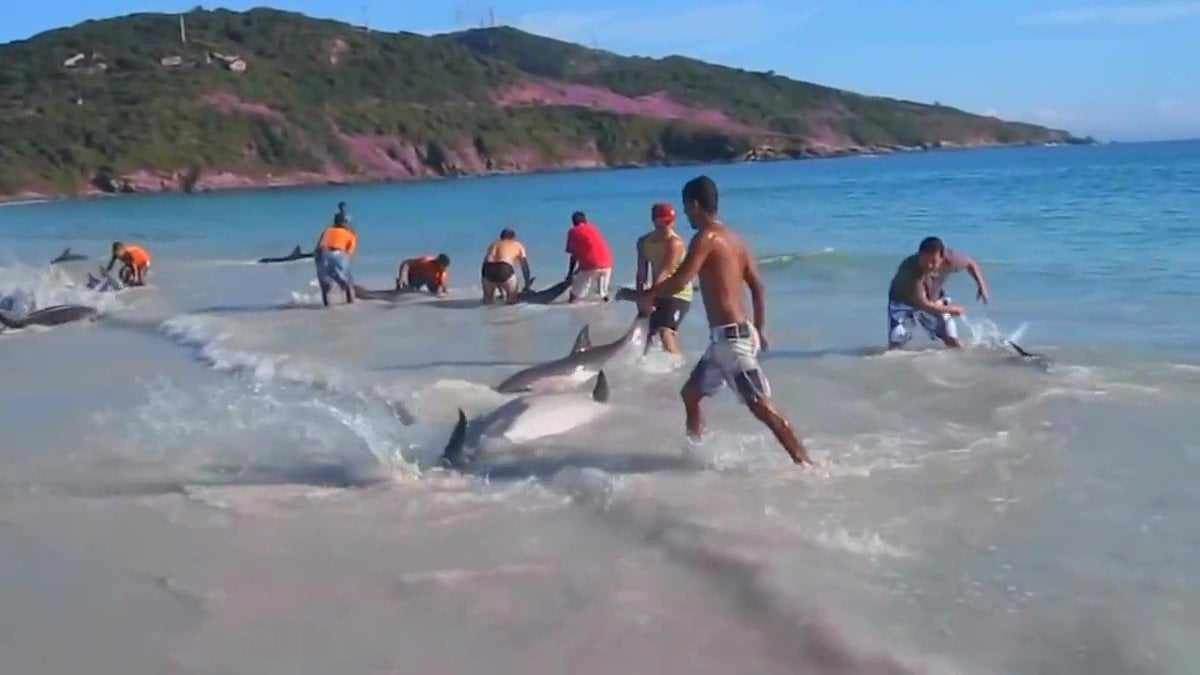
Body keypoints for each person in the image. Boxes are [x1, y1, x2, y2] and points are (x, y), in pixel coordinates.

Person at [637, 175, 812, 466]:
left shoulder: (705, 238)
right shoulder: (736, 239)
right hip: (728, 338)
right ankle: (693, 455)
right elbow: (757, 287)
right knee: (690, 394)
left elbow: (682, 279)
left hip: (732, 341)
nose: (686, 215)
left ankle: (806, 464)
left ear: (695, 205)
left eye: (685, 208)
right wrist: (760, 328)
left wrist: (650, 294)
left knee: (761, 406)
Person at [886, 236, 968, 350]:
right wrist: (951, 309)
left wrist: (981, 286)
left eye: (933, 261)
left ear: (942, 257)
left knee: (951, 339)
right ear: (919, 255)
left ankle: (964, 362)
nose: (929, 265)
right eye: (925, 261)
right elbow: (922, 303)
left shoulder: (951, 259)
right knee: (896, 343)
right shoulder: (909, 270)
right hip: (902, 302)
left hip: (932, 299)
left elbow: (970, 263)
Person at [635, 202, 692, 355]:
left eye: (670, 221)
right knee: (646, 335)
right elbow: (641, 272)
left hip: (678, 292)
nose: (668, 225)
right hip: (656, 291)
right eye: (664, 221)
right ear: (654, 220)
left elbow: (665, 271)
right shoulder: (643, 242)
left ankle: (679, 367)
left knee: (665, 331)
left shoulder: (675, 242)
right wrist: (640, 298)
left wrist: (650, 295)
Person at [565, 210, 613, 303]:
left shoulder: (573, 231)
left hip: (590, 265)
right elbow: (591, 249)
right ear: (586, 220)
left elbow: (573, 255)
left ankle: (570, 312)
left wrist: (570, 273)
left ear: (573, 222)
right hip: (607, 263)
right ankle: (607, 310)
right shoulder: (593, 228)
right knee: (603, 294)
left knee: (574, 296)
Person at [313, 216, 357, 306]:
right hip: (338, 254)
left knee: (325, 285)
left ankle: (327, 307)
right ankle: (351, 306)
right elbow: (349, 253)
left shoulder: (327, 230)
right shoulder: (351, 234)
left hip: (323, 253)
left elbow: (318, 248)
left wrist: (317, 259)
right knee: (348, 283)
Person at [481, 228, 532, 304]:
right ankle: (510, 301)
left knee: (487, 303)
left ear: (501, 237)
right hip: (504, 268)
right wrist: (527, 284)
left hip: (487, 270)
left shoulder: (493, 244)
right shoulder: (517, 244)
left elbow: (489, 266)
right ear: (513, 237)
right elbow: (524, 266)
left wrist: (497, 286)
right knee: (511, 303)